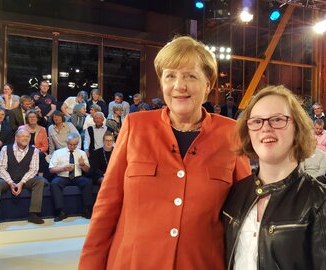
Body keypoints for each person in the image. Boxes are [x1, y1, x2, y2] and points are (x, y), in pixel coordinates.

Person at [79, 36, 251, 269]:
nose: (179, 85)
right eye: (170, 76)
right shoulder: (135, 126)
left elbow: (244, 217)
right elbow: (107, 207)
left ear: (208, 84)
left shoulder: (231, 133)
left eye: (191, 76)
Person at [223, 85, 326, 269]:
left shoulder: (324, 202)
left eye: (277, 120)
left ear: (297, 128)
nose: (266, 128)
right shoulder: (236, 193)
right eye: (256, 121)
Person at [0, 129, 45, 229]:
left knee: (39, 181)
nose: (25, 138)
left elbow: (33, 170)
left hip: (24, 180)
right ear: (16, 137)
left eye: (27, 137)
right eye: (22, 136)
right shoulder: (6, 148)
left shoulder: (34, 150)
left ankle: (34, 214)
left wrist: (21, 183)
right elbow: (1, 168)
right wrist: (11, 182)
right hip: (7, 179)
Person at [49, 132, 93, 222]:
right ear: (66, 142)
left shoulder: (82, 153)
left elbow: (87, 170)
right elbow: (51, 169)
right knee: (54, 183)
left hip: (77, 177)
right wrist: (63, 168)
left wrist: (82, 164)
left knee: (88, 182)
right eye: (70, 144)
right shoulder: (58, 153)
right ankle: (60, 211)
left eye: (75, 145)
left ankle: (87, 210)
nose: (72, 147)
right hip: (63, 176)